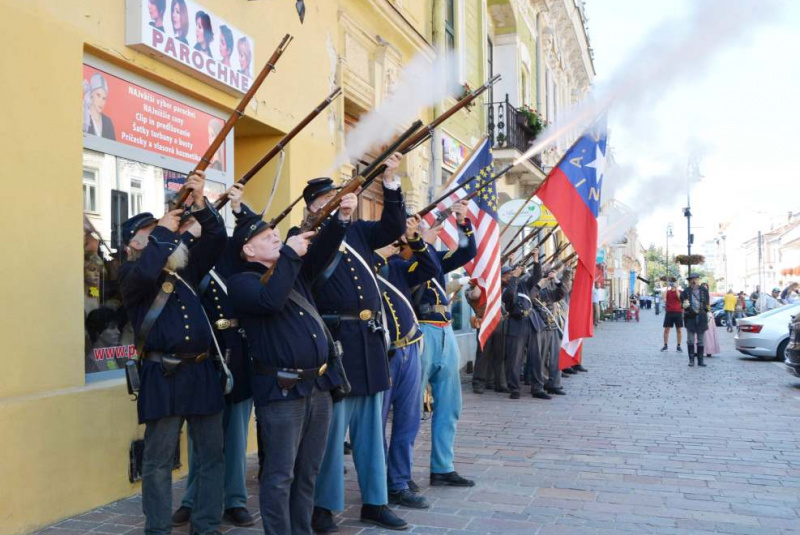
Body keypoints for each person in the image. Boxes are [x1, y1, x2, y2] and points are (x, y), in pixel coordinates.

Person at [227, 192, 355, 535]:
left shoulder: (292, 270)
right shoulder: (241, 282)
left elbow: (322, 253)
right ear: (248, 250)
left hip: (318, 385)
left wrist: (341, 218)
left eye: (276, 234)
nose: (275, 238)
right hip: (281, 391)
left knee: (308, 471)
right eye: (266, 236)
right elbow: (269, 300)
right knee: (280, 475)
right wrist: (288, 255)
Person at [119, 170, 226, 535]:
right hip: (161, 375)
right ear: (134, 245)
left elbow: (217, 239)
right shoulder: (131, 274)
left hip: (201, 372)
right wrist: (164, 233)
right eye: (148, 234)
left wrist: (201, 203)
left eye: (159, 231)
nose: (160, 237)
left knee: (212, 455)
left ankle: (207, 525)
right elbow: (147, 273)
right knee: (158, 461)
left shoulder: (185, 269)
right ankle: (158, 529)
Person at [310, 153, 409, 532]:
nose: (339, 201)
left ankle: (375, 502)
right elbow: (318, 259)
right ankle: (323, 507)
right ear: (316, 207)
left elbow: (393, 227)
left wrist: (391, 181)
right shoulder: (308, 236)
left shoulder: (358, 233)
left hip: (368, 343)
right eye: (329, 199)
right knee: (333, 435)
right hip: (338, 344)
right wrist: (339, 218)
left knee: (371, 434)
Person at [171, 185, 256, 529]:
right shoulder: (181, 259)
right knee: (200, 438)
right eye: (188, 223)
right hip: (204, 353)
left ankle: (235, 499)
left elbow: (255, 234)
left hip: (235, 350)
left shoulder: (228, 248)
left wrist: (239, 207)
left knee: (235, 436)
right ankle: (193, 499)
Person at [373, 215, 438, 510]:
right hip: (379, 354)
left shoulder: (397, 267)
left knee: (408, 421)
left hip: (410, 348)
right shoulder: (364, 266)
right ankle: (378, 483)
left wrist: (415, 239)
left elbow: (430, 268)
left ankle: (399, 481)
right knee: (375, 424)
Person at [413, 200, 477, 489]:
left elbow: (466, 252)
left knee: (450, 405)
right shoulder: (401, 260)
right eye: (418, 228)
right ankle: (399, 473)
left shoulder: (434, 258)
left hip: (445, 329)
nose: (425, 230)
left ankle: (442, 466)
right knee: (410, 407)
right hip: (419, 330)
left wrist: (463, 222)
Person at [532, 267, 568, 394]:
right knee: (540, 359)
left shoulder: (548, 292)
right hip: (540, 328)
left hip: (553, 327)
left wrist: (556, 279)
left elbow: (563, 292)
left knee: (556, 357)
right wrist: (540, 282)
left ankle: (554, 383)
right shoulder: (532, 289)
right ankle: (538, 386)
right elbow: (530, 297)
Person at [681, 274, 710, 367]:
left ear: (698, 280)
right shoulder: (685, 291)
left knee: (701, 340)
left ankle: (700, 361)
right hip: (690, 317)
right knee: (690, 340)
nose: (694, 281)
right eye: (692, 280)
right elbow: (682, 304)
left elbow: (707, 303)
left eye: (695, 279)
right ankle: (691, 361)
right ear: (689, 281)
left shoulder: (704, 290)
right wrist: (688, 308)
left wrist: (707, 312)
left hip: (701, 317)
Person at [83, 73, 116, 141]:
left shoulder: (107, 122)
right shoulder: (83, 115)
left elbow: (114, 146)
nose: (101, 102)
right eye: (98, 95)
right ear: (91, 94)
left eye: (104, 98)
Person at [661, 283, 683, 352]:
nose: (673, 284)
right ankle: (665, 345)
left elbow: (679, 298)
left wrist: (676, 288)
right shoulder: (668, 292)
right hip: (669, 312)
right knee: (666, 329)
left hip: (678, 312)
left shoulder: (679, 291)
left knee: (678, 330)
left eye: (674, 283)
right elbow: (663, 298)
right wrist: (667, 287)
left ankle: (678, 346)